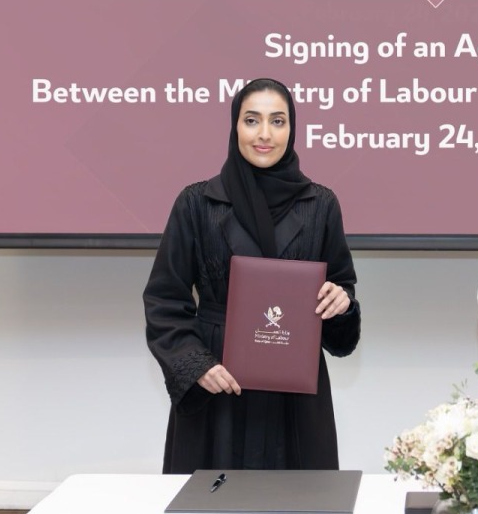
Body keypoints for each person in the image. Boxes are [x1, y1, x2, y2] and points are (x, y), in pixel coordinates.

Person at [144, 78, 361, 473]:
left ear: (292, 129)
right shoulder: (196, 203)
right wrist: (196, 366)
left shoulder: (321, 204)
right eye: (252, 120)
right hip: (218, 386)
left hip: (295, 395)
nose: (265, 134)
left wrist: (341, 303)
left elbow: (341, 307)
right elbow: (164, 299)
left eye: (278, 121)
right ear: (235, 127)